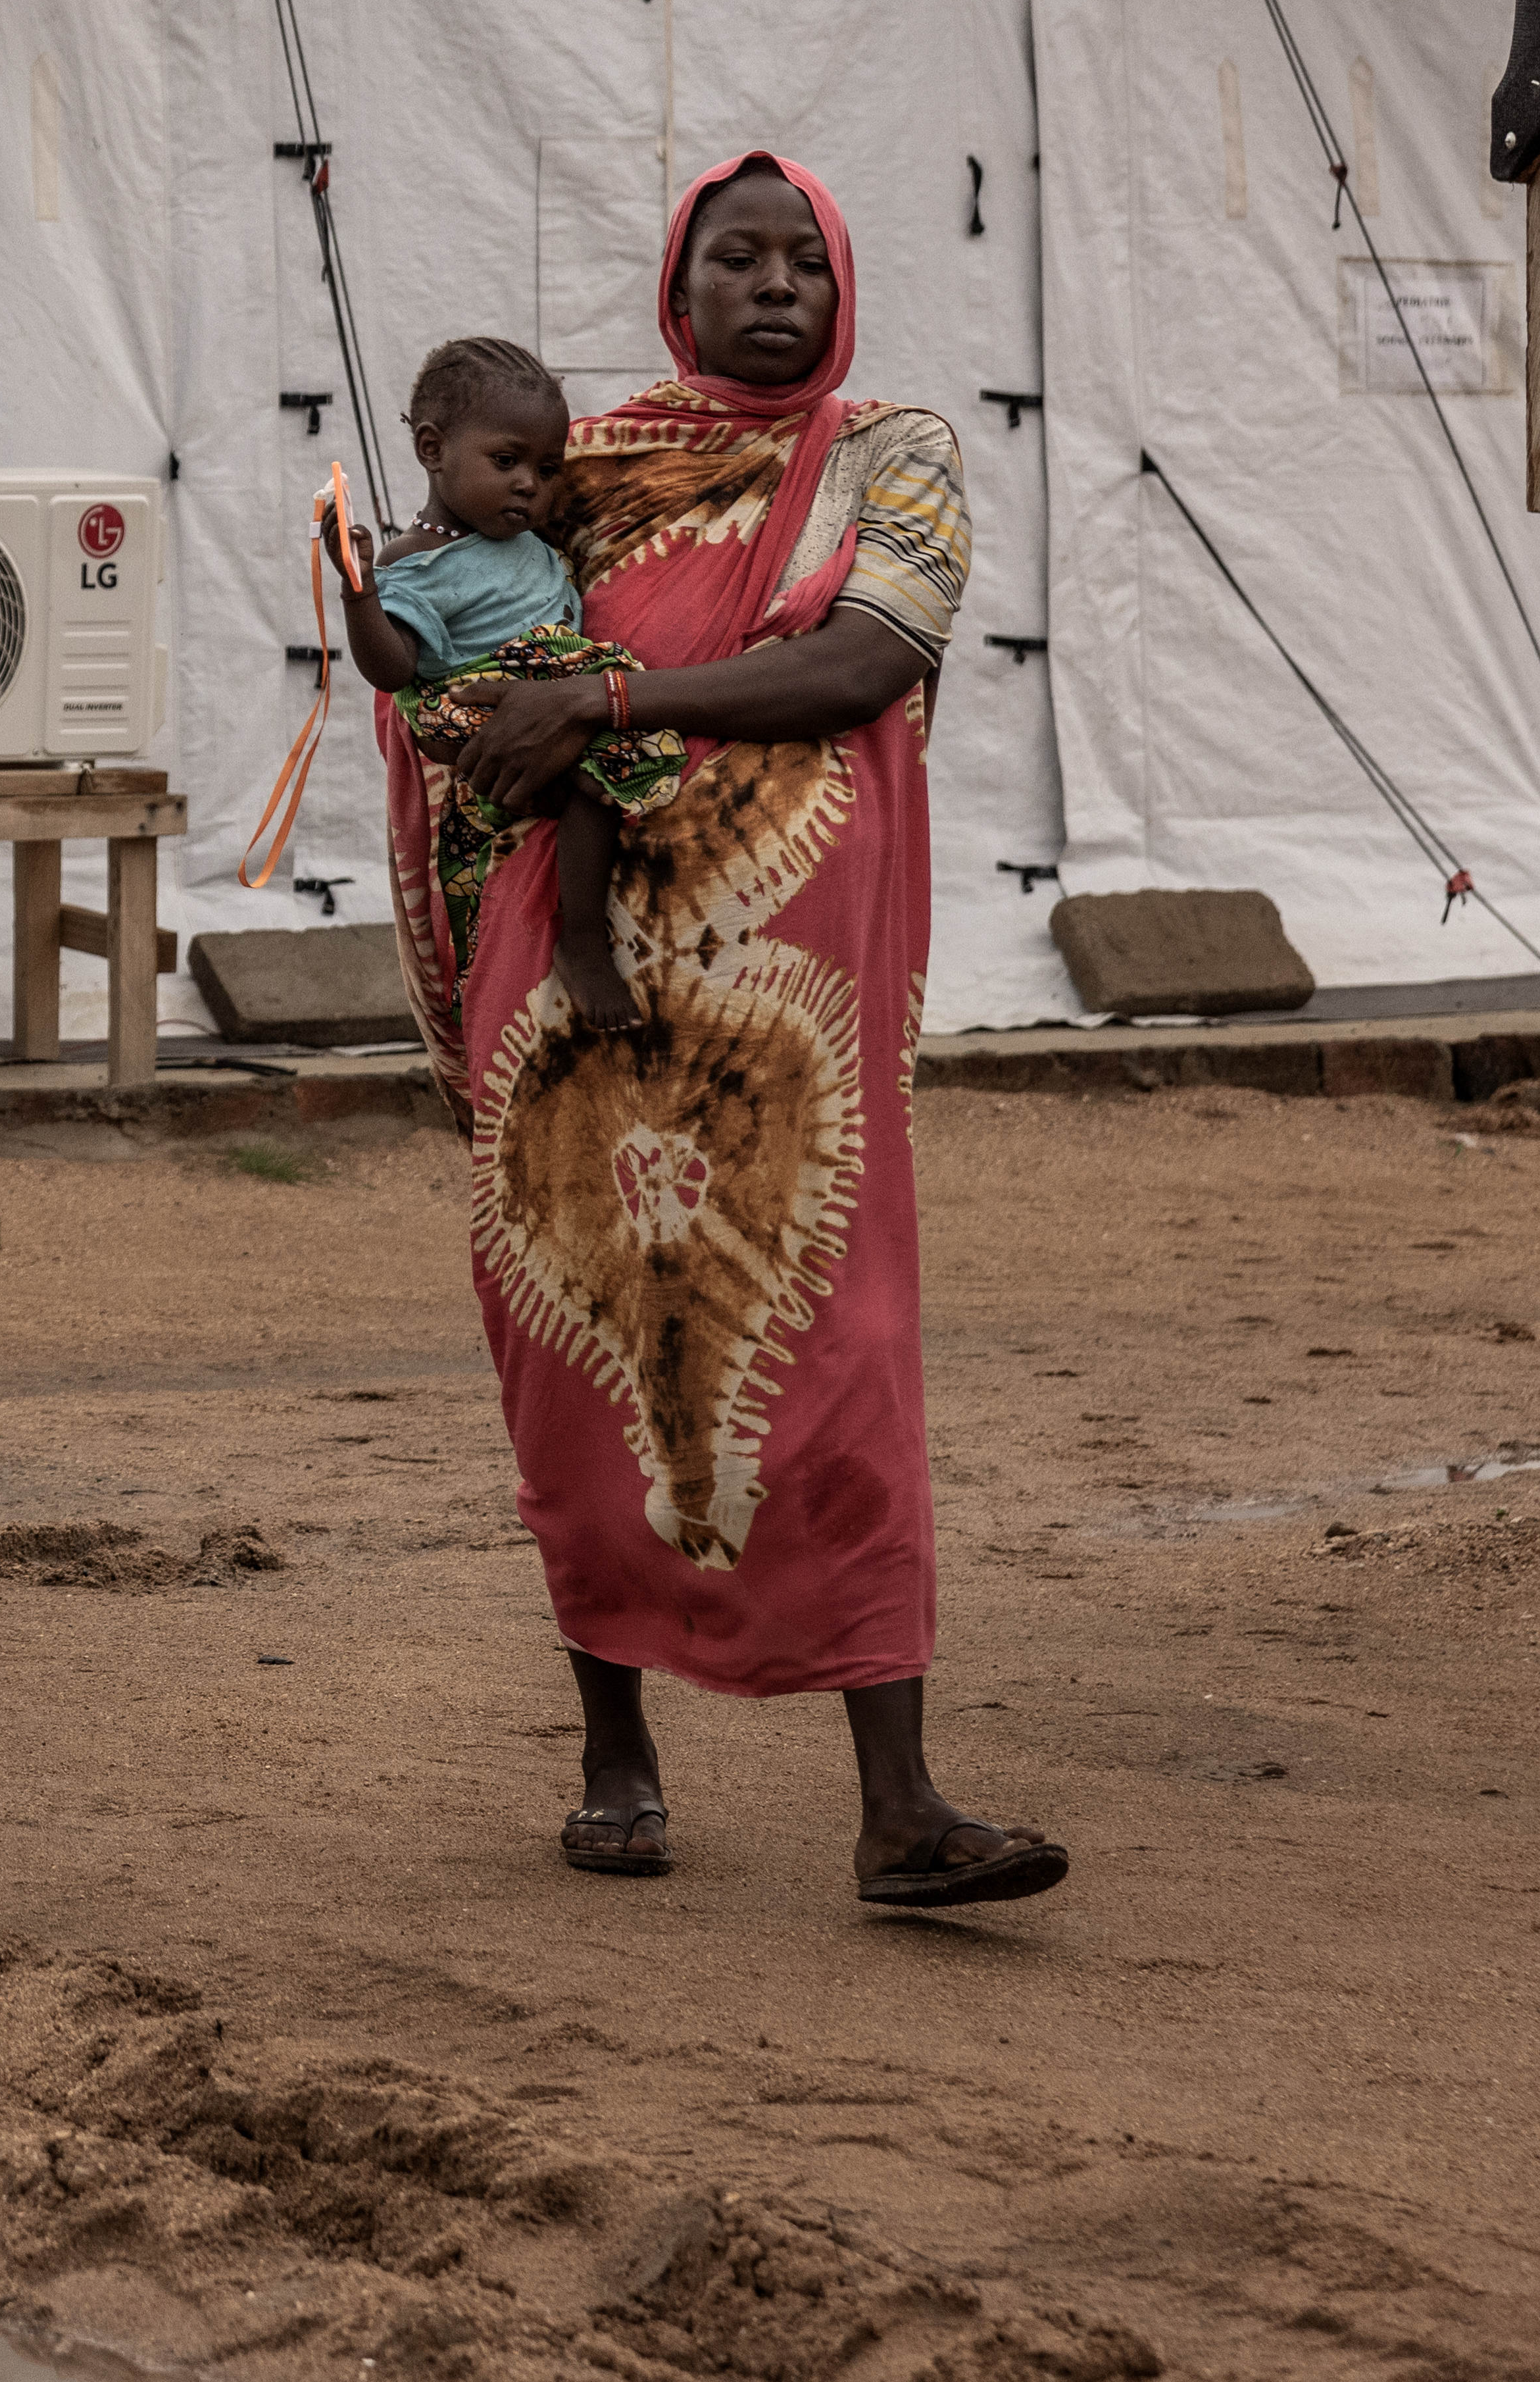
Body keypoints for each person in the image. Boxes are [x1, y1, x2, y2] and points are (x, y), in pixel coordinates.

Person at [415, 153, 1066, 1913]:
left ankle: (901, 1807)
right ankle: (615, 1760)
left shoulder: (894, 455)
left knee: (837, 1363)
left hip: (804, 1020)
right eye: (734, 258)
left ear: (842, 286)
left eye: (803, 261)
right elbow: (464, 649)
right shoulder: (586, 468)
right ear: (676, 287)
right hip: (574, 981)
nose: (772, 286)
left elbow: (859, 665)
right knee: (582, 1360)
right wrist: (457, 667)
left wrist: (604, 700)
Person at [337, 337, 678, 1035]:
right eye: (507, 461)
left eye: (547, 468)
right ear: (432, 450)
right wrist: (358, 591)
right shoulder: (416, 564)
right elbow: (395, 668)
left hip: (550, 697)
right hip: (473, 712)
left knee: (611, 775)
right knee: (596, 786)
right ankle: (580, 939)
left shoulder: (528, 539)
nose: (530, 482)